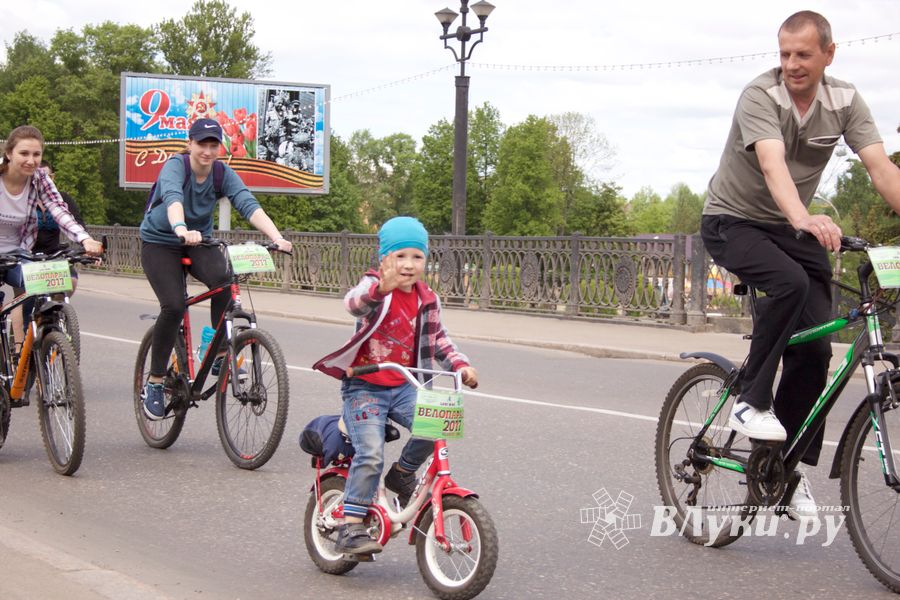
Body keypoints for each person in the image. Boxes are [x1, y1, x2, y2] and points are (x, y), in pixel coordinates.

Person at [701, 11, 900, 519]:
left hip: (790, 227)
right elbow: (772, 164)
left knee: (814, 350)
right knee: (789, 282)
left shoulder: (844, 100)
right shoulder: (761, 95)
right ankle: (750, 400)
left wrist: (800, 223)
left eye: (803, 54)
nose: (791, 64)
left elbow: (881, 169)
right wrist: (803, 218)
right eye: (785, 53)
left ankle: (781, 469)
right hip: (733, 221)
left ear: (829, 54)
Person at [312, 216, 478, 556]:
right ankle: (350, 526)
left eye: (417, 257)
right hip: (365, 387)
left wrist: (460, 365)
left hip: (405, 386)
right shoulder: (375, 287)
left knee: (438, 425)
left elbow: (439, 341)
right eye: (400, 256)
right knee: (371, 452)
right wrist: (380, 288)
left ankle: (402, 473)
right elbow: (354, 303)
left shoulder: (427, 299)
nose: (408, 264)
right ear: (384, 258)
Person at [139, 118, 292, 420]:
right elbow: (173, 198)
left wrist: (277, 238)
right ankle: (155, 382)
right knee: (173, 305)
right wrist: (181, 228)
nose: (207, 151)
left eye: (213, 145)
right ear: (190, 144)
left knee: (224, 280)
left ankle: (220, 351)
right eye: (202, 144)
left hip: (198, 241)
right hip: (161, 241)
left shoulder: (222, 173)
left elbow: (247, 204)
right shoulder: (176, 167)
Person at [0, 126, 102, 332]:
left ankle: (34, 343)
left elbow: (58, 209)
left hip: (18, 253)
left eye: (36, 154)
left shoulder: (39, 178)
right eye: (24, 153)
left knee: (43, 285)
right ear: (9, 153)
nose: (31, 160)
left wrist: (85, 239)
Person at [34, 160, 86, 296]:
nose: (44, 182)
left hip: (53, 254)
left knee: (70, 282)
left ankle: (57, 308)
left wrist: (87, 245)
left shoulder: (62, 198)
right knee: (26, 296)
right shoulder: (25, 197)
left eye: (49, 177)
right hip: (26, 254)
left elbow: (77, 223)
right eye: (39, 178)